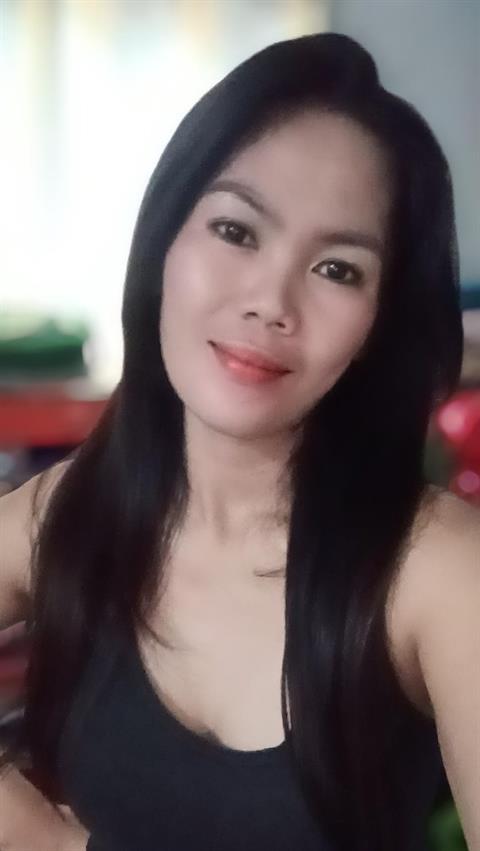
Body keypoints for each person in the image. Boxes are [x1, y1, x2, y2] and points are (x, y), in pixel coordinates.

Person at [0, 31, 479, 851]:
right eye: (236, 230)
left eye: (338, 269)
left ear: (377, 323)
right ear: (165, 241)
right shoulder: (71, 512)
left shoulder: (435, 569)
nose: (271, 301)